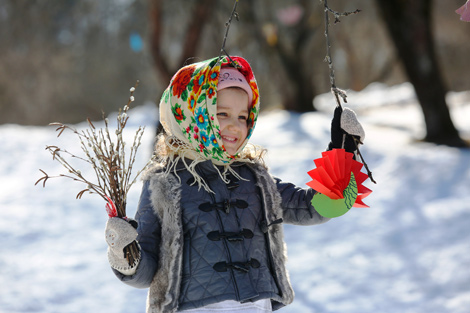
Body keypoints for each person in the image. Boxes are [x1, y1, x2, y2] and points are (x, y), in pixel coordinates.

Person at [104, 55, 365, 313]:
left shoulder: (254, 179)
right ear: (192, 114)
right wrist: (126, 252)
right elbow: (147, 270)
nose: (234, 126)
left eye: (243, 116)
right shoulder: (164, 184)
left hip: (255, 305)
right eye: (222, 113)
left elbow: (315, 207)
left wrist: (343, 152)